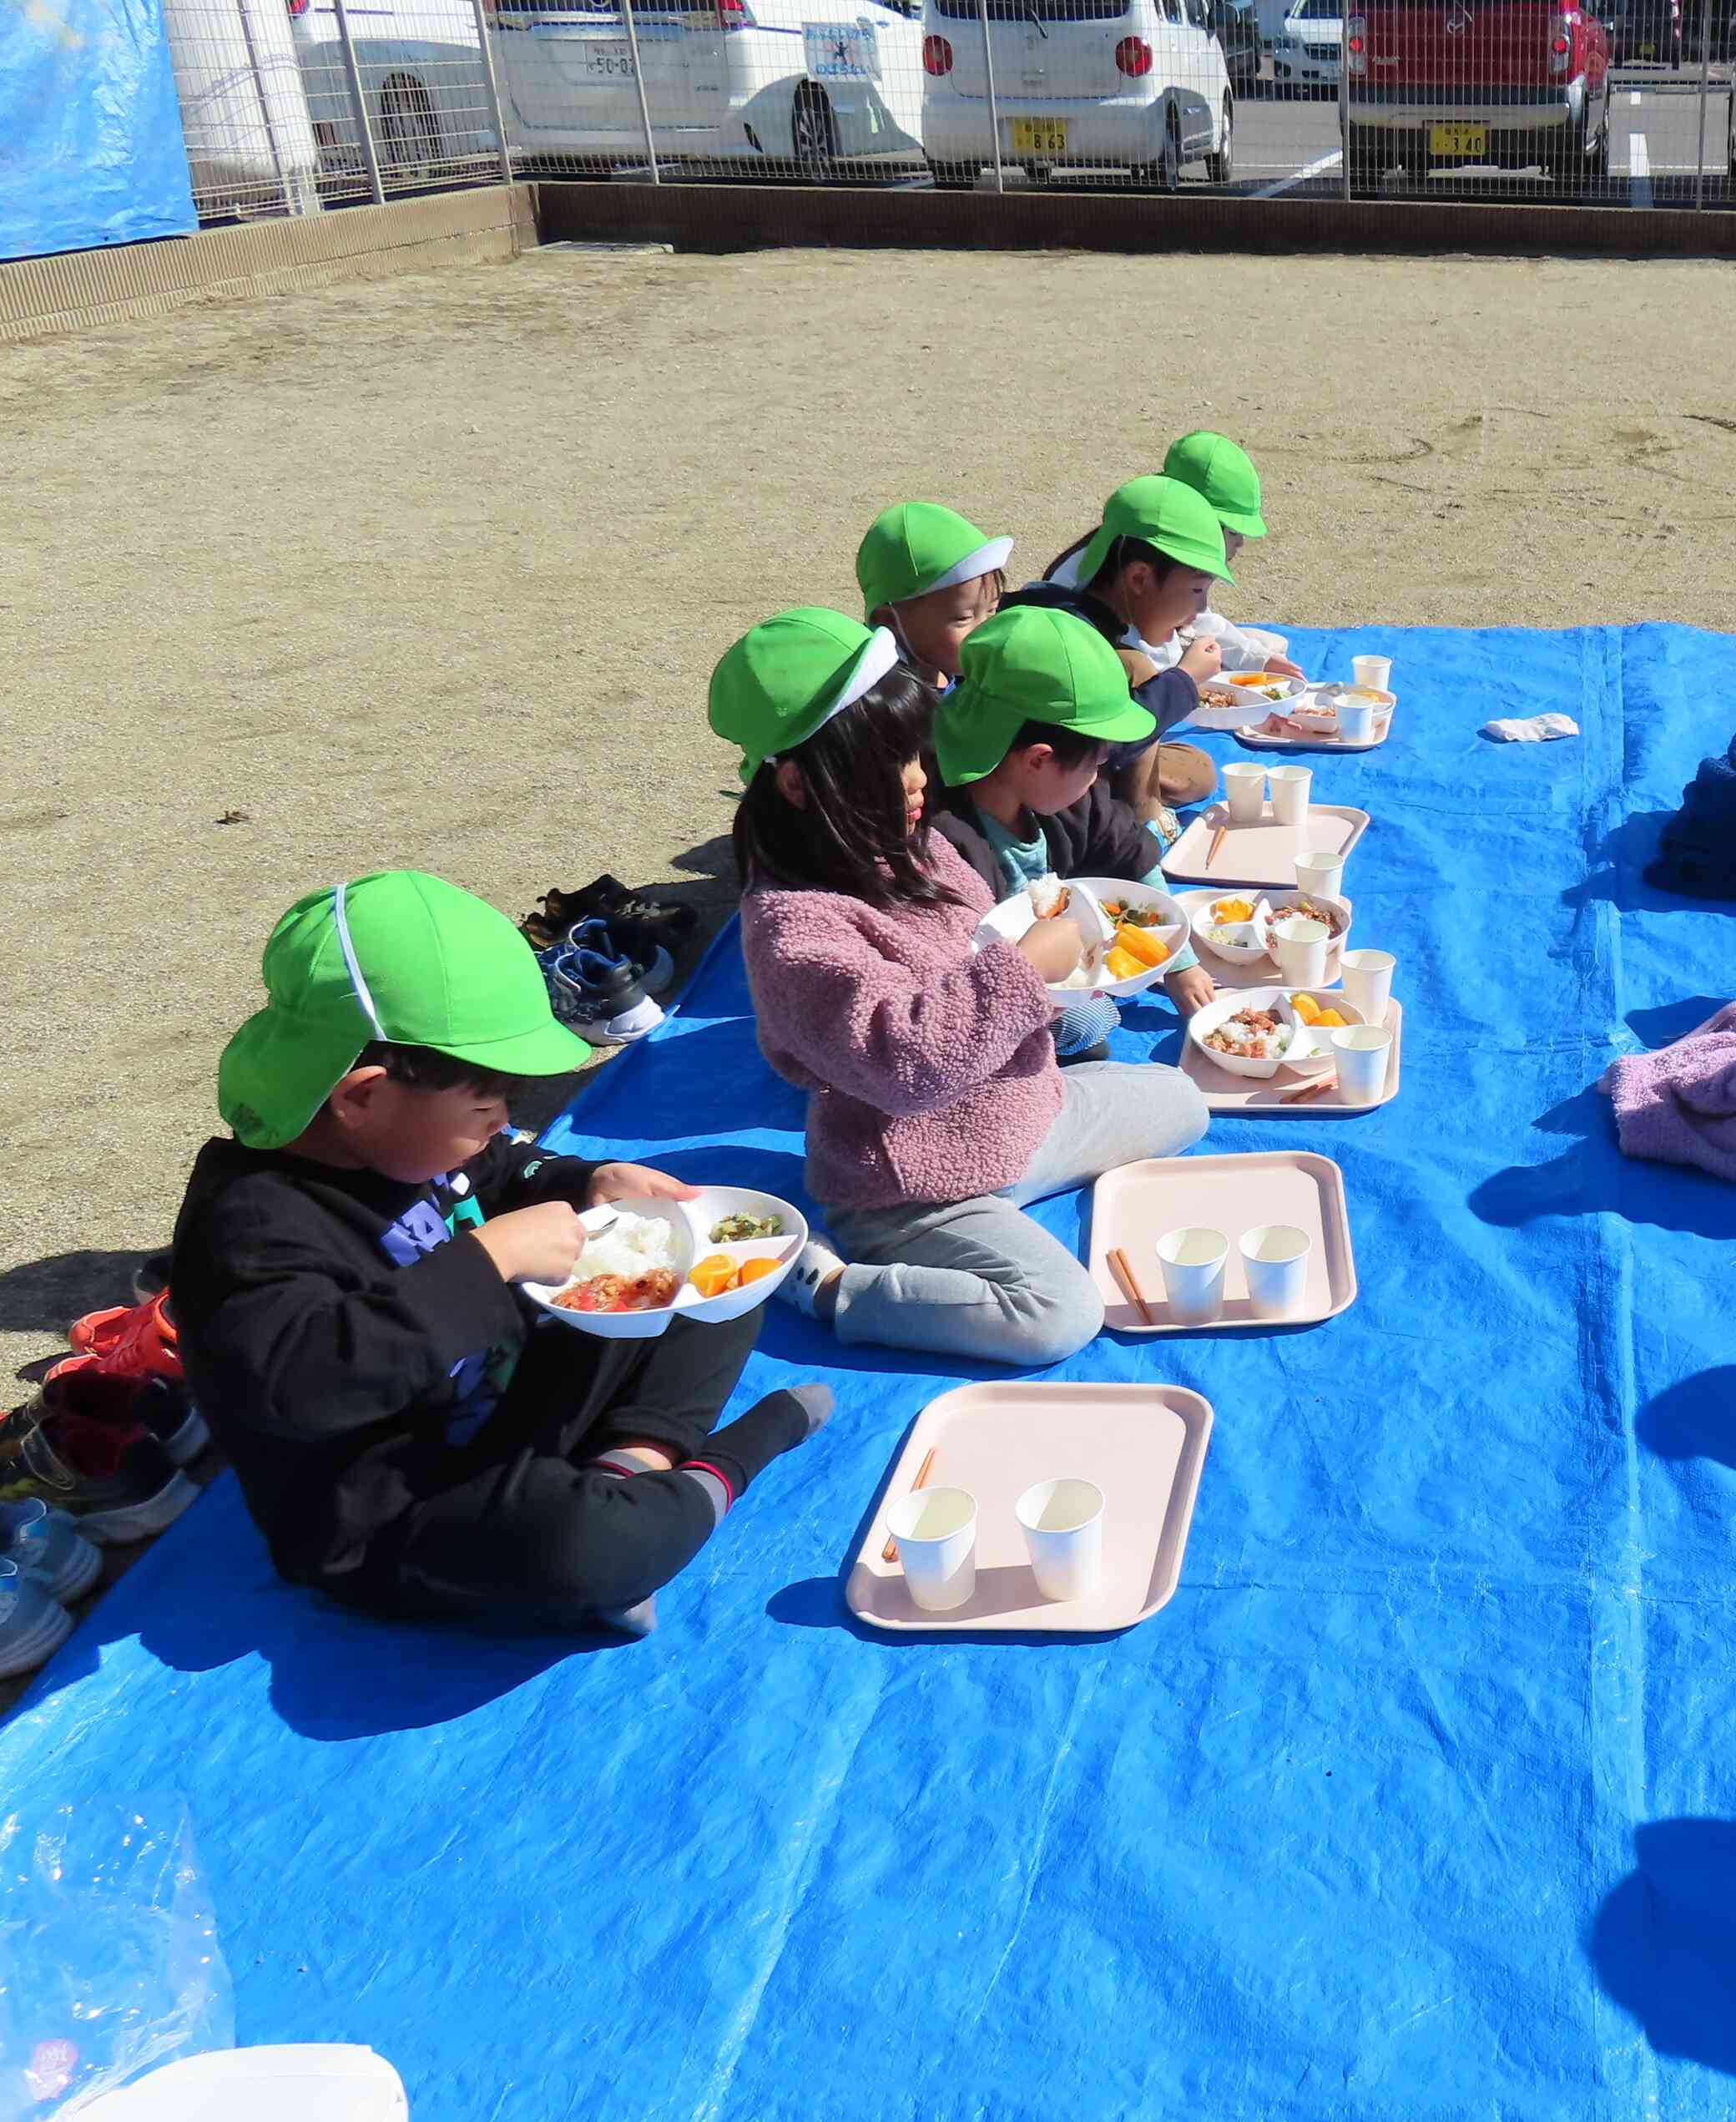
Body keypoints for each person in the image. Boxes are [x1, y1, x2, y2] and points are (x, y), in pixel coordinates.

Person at [169, 871, 830, 1634]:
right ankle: (722, 1467)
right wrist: (486, 1262)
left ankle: (633, 1470)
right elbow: (308, 1384)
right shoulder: (249, 1228)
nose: (502, 1120)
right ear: (362, 1097)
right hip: (400, 1505)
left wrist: (583, 1181)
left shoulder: (404, 1142)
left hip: (505, 1394)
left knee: (708, 1284)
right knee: (580, 1546)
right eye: (487, 1103)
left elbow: (504, 1167)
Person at [720, 607, 1209, 1368]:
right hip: (912, 1178)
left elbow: (980, 948)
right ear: (797, 784)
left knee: (1185, 1101)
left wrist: (1058, 975)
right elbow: (906, 1064)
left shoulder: (910, 846)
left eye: (916, 755)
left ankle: (1012, 1194)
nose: (921, 780)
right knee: (1057, 1315)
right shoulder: (794, 929)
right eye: (893, 765)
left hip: (1020, 1114)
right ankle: (828, 1284)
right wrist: (1028, 970)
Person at [927, 604, 1219, 1061]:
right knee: (1089, 1024)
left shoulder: (1068, 798)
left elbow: (1131, 854)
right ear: (1039, 759)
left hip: (1046, 955)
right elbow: (948, 981)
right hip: (980, 994)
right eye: (1098, 760)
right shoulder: (943, 841)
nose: (1100, 773)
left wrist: (1179, 964)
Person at [1012, 473, 1238, 840]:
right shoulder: (1070, 641)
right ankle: (1142, 825)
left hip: (1080, 767)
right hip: (1052, 789)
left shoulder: (1088, 614)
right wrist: (1183, 680)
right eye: (1198, 590)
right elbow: (1095, 746)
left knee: (1198, 771)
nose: (1200, 610)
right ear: (1138, 579)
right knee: (1139, 674)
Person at [1045, 432, 1300, 681]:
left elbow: (1197, 617)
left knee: (1269, 645)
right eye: (1232, 531)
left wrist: (1255, 657)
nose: (1240, 543)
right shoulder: (1094, 612)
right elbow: (1150, 676)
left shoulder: (1146, 554)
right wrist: (1186, 678)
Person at [857, 500, 1015, 688]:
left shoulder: (962, 670)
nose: (986, 633)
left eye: (992, 610)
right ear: (889, 620)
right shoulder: (888, 699)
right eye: (963, 618)